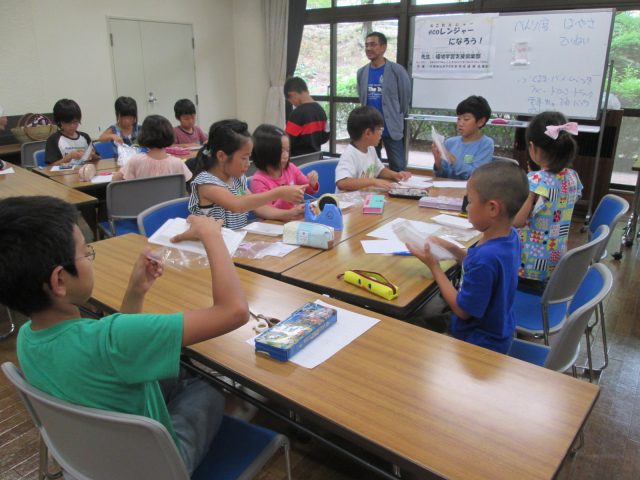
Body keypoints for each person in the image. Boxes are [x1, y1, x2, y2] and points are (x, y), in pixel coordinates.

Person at [0, 196, 249, 474]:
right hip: (160, 468)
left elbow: (121, 352)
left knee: (182, 369)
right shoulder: (111, 339)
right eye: (86, 252)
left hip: (94, 457)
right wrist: (212, 236)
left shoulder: (26, 338)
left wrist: (135, 290)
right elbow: (234, 311)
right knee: (211, 383)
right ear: (59, 280)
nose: (90, 258)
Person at [407, 162, 529, 354]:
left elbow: (462, 310)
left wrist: (434, 267)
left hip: (478, 342)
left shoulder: (486, 257)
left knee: (407, 333)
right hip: (498, 329)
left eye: (470, 201)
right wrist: (453, 248)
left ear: (492, 208)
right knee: (419, 322)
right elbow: (479, 267)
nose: (466, 206)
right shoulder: (510, 236)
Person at [189, 119, 306, 229]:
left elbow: (258, 207)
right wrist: (279, 193)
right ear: (221, 156)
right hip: (215, 242)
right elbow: (237, 205)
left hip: (238, 240)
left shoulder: (236, 179)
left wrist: (289, 214)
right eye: (244, 158)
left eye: (249, 158)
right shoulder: (206, 183)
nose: (248, 164)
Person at [513, 111, 583, 286]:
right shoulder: (572, 176)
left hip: (528, 266)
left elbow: (517, 222)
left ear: (533, 147)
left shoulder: (535, 180)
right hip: (556, 260)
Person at [357, 31, 412, 172]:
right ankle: (377, 188)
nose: (369, 48)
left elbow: (405, 98)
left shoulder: (397, 70)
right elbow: (362, 98)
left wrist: (396, 115)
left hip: (391, 127)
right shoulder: (362, 72)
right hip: (370, 128)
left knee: (398, 167)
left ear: (383, 47)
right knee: (372, 168)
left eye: (373, 45)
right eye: (366, 45)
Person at [335, 106, 411, 193]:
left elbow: (379, 170)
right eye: (380, 129)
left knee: (387, 200)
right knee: (385, 200)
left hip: (364, 199)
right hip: (348, 201)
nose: (381, 133)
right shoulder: (349, 154)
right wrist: (373, 181)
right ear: (368, 133)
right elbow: (342, 183)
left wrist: (396, 175)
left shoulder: (370, 149)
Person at [250, 124, 319, 210]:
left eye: (288, 150)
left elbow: (308, 189)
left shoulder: (290, 168)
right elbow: (268, 212)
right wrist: (286, 197)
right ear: (265, 152)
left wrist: (312, 183)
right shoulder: (259, 181)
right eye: (281, 151)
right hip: (277, 219)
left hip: (295, 216)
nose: (286, 156)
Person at [113, 114, 192, 182]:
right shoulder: (178, 163)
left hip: (143, 196)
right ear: (169, 134)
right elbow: (190, 182)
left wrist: (123, 168)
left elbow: (115, 179)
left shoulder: (136, 161)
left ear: (143, 135)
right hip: (170, 196)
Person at [433, 95, 494, 180]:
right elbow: (442, 176)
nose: (460, 123)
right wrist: (438, 163)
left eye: (466, 119)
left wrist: (454, 161)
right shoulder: (450, 142)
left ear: (480, 122)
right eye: (458, 119)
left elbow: (476, 176)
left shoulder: (486, 144)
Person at [44, 99, 100, 166]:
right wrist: (69, 157)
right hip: (64, 172)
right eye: (68, 122)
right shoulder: (53, 140)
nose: (72, 126)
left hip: (84, 171)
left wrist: (92, 155)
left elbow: (98, 159)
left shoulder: (85, 137)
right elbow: (50, 167)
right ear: (59, 122)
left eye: (75, 122)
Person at [283, 77, 329, 156]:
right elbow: (326, 136)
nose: (293, 104)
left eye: (291, 101)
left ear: (292, 94)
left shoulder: (297, 113)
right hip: (315, 158)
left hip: (298, 159)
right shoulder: (321, 110)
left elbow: (287, 141)